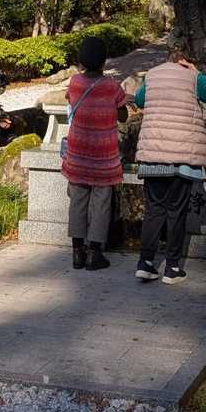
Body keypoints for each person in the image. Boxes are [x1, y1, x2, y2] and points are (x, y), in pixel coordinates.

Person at [131, 44, 206, 285]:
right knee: (176, 212)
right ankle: (171, 268)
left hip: (152, 157)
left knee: (153, 211)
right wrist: (197, 73)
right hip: (182, 158)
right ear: (186, 61)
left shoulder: (152, 75)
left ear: (166, 60)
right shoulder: (193, 76)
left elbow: (139, 100)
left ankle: (145, 264)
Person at [62, 34, 128, 272]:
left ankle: (77, 252)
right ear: (103, 61)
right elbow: (123, 115)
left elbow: (71, 101)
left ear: (81, 60)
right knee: (101, 203)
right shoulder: (111, 86)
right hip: (104, 155)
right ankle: (95, 253)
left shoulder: (75, 82)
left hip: (78, 153)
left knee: (77, 201)